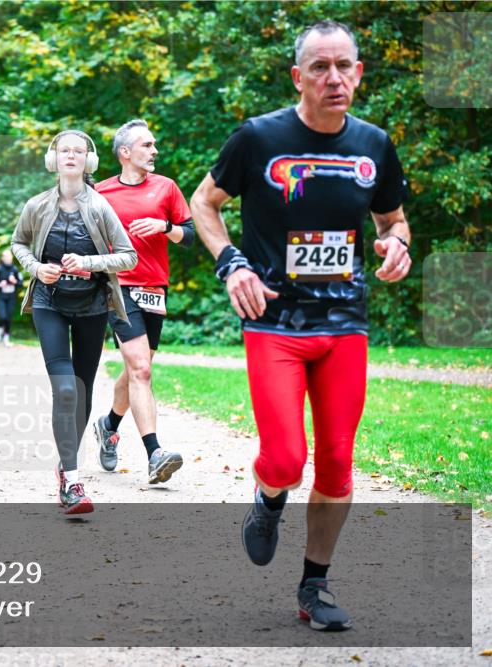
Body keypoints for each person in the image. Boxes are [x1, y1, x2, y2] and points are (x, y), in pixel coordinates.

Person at [190, 20, 411, 631]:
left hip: (344, 323)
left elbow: (393, 220)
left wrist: (397, 246)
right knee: (287, 460)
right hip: (274, 322)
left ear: (359, 74)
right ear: (298, 76)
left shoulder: (374, 144)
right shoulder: (258, 137)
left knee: (338, 462)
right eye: (320, 67)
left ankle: (314, 586)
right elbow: (202, 204)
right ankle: (268, 498)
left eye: (344, 66)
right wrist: (230, 263)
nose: (333, 77)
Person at [12, 130, 137, 515]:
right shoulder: (36, 205)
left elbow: (128, 256)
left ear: (89, 160)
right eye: (64, 150)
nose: (70, 156)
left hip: (93, 306)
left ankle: (67, 468)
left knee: (81, 392)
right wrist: (36, 268)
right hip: (50, 301)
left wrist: (89, 263)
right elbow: (18, 243)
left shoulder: (100, 207)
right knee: (65, 390)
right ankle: (72, 476)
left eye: (78, 151)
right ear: (54, 159)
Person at [92, 119, 195, 484]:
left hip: (155, 288)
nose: (154, 151)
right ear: (125, 153)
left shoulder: (166, 187)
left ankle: (108, 425)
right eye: (147, 145)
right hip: (117, 287)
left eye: (153, 145)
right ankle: (155, 454)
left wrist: (164, 227)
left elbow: (191, 235)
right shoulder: (100, 193)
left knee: (138, 369)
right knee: (141, 370)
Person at [0, 249, 23, 346]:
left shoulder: (15, 269)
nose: (8, 258)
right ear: (2, 258)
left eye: (9, 256)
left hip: (11, 297)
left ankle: (6, 338)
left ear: (12, 257)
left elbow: (20, 284)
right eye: (6, 256)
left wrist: (15, 282)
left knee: (8, 318)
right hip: (0, 297)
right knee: (2, 316)